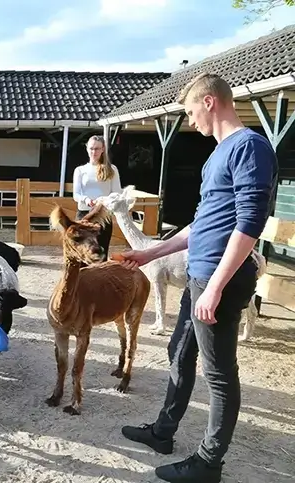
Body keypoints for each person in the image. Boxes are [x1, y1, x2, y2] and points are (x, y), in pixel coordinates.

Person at [116, 73, 277, 482]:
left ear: (209, 102)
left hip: (218, 282)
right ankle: (163, 433)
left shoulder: (249, 147)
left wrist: (218, 286)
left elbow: (250, 223)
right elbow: (201, 224)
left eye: (190, 111)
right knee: (179, 353)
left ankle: (209, 463)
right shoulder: (218, 155)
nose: (189, 122)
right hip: (198, 276)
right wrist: (150, 252)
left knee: (219, 373)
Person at [72, 134, 122, 258]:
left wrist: (103, 202)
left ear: (103, 149)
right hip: (84, 214)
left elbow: (117, 193)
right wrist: (87, 200)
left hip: (103, 216)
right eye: (91, 148)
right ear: (87, 148)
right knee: (83, 251)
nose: (94, 151)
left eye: (97, 148)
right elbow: (76, 194)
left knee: (101, 251)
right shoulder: (79, 170)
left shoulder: (112, 169)